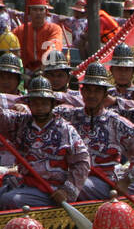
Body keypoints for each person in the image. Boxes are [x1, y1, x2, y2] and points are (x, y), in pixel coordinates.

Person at [57, 63, 134, 201]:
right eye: (88, 90)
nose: (92, 95)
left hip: (103, 181)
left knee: (76, 186)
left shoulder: (116, 122)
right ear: (82, 92)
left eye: (97, 91)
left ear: (105, 94)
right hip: (71, 175)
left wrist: (127, 180)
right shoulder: (68, 115)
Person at [0, 77, 90, 210]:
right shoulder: (21, 122)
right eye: (35, 103)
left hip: (50, 189)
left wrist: (66, 191)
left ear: (52, 104)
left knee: (9, 200)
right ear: (29, 104)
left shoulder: (65, 129)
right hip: (24, 182)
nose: (39, 108)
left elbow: (82, 161)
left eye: (44, 103)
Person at [17, 0, 64, 73]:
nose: (38, 13)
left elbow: (54, 46)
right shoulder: (20, 30)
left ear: (46, 12)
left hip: (48, 69)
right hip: (25, 70)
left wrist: (45, 63)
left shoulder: (54, 29)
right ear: (29, 12)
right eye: (35, 9)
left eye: (41, 9)